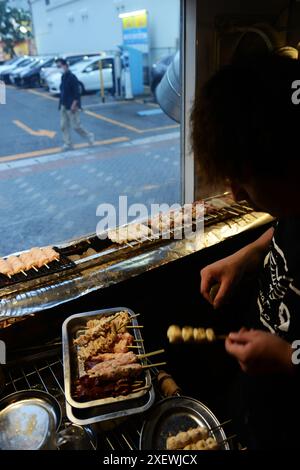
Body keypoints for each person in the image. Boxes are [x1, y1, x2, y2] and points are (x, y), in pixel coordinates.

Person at [191, 53, 300, 449]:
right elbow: (284, 231)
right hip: (258, 389)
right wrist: (246, 256)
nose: (234, 193)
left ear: (289, 167)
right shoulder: (292, 203)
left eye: (242, 180)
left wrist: (286, 357)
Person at [56, 58, 94, 151]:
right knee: (63, 125)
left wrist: (75, 104)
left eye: (59, 66)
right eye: (57, 66)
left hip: (72, 105)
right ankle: (68, 143)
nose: (58, 68)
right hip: (63, 105)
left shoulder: (72, 77)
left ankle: (89, 136)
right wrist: (61, 104)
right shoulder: (63, 77)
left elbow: (77, 93)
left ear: (65, 66)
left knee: (75, 126)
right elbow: (63, 91)